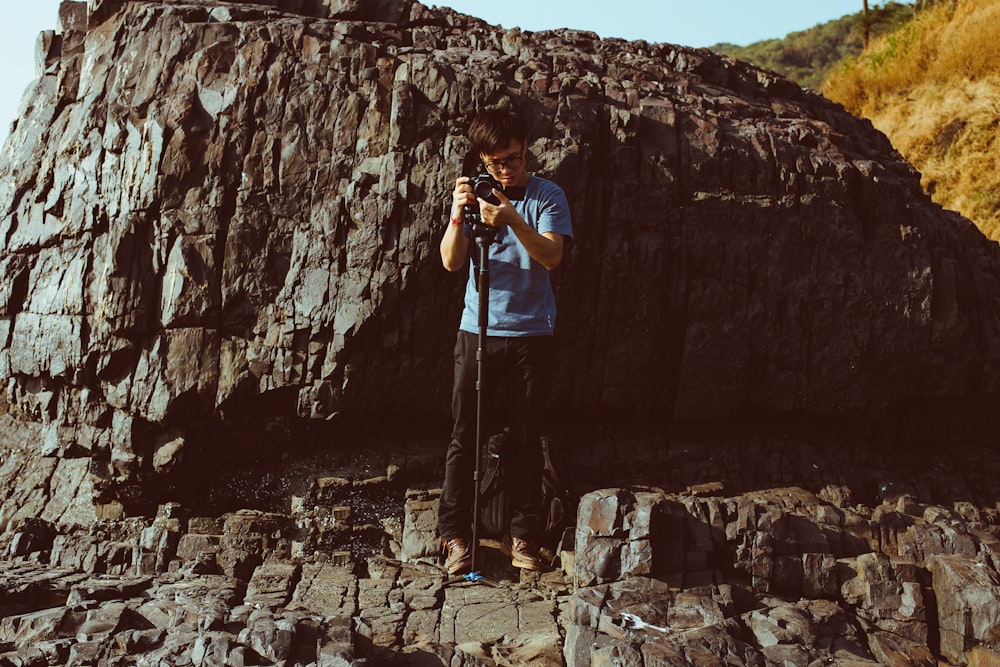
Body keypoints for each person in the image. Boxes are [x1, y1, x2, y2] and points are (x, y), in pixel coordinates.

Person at [437, 107, 573, 574]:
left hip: (531, 334)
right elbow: (452, 264)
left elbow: (553, 256)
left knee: (525, 438)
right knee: (463, 436)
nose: (505, 169)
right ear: (481, 159)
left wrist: (513, 218)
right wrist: (458, 215)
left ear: (526, 148)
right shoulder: (471, 196)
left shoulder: (546, 195)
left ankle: (523, 535)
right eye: (495, 163)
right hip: (477, 330)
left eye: (512, 159)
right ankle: (454, 535)